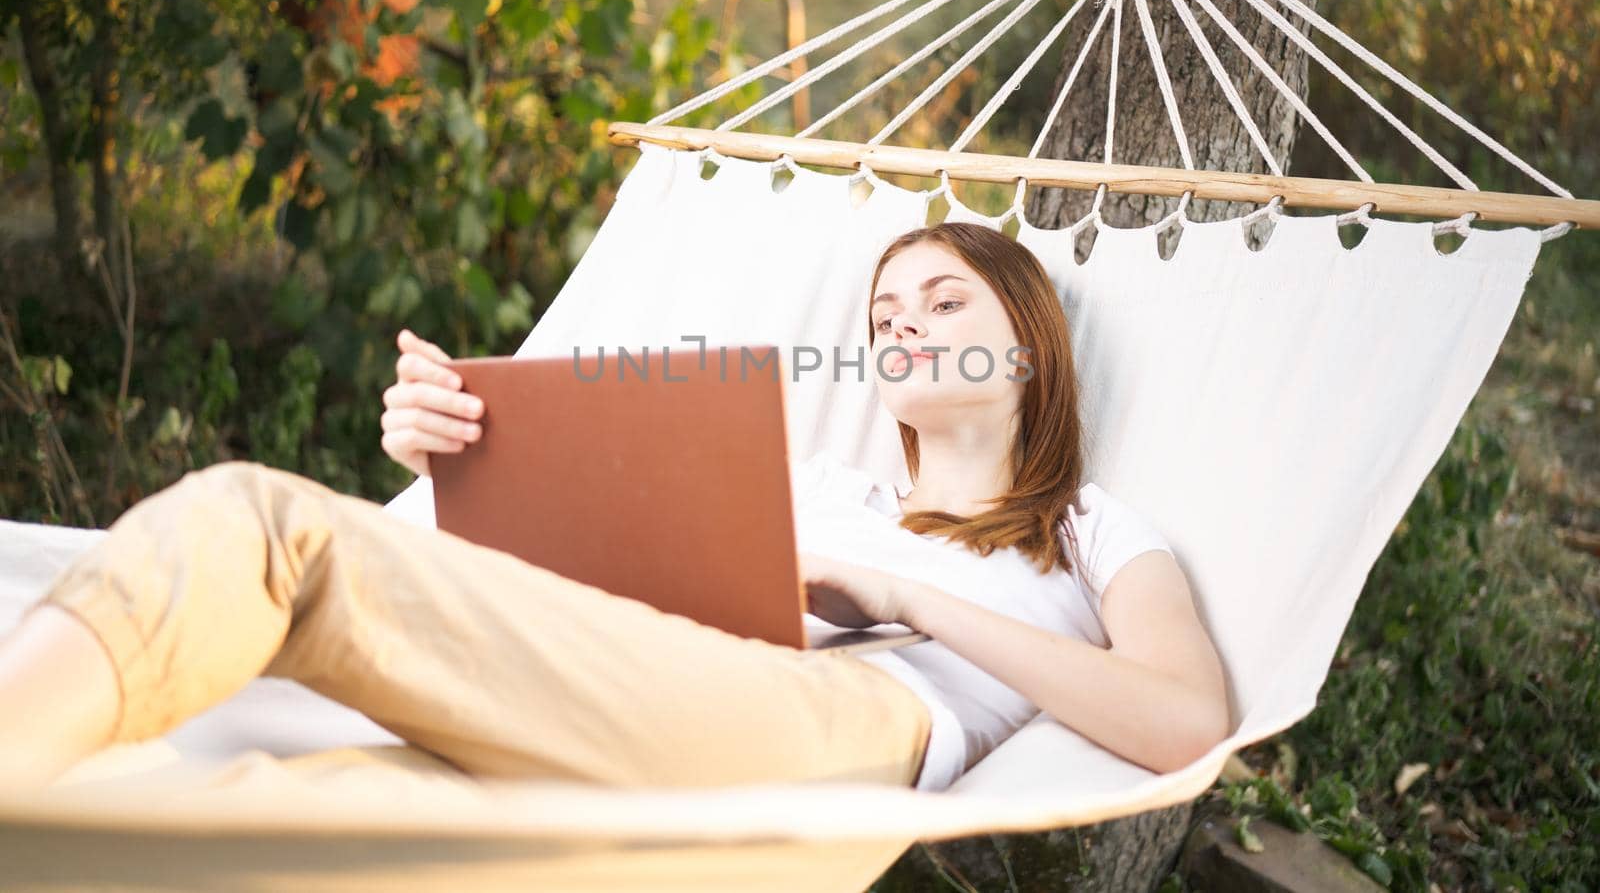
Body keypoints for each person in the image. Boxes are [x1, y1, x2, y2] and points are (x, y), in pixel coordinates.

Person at [0, 221, 1229, 794]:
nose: (900, 321)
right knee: (258, 556)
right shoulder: (818, 486)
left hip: (850, 714)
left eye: (942, 302)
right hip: (669, 668)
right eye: (885, 313)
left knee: (267, 529)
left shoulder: (1091, 532)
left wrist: (909, 596)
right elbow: (598, 583)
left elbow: (1184, 720)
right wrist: (453, 466)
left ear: (1026, 348)